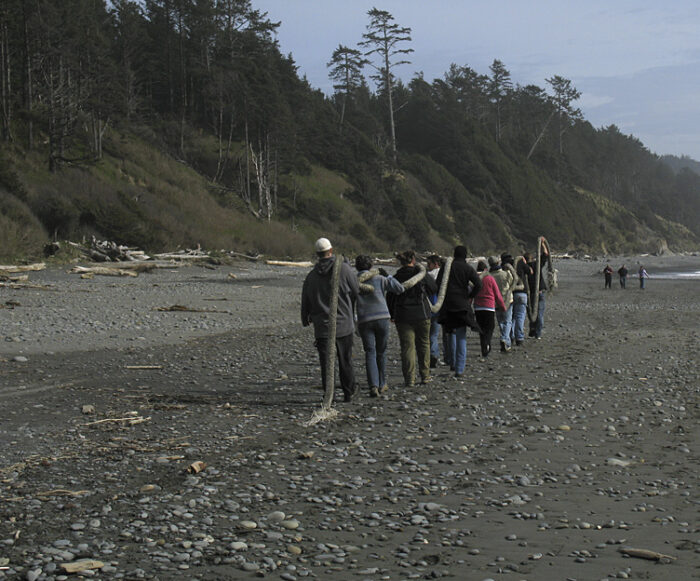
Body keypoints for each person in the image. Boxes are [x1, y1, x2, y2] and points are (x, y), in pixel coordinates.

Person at [301, 237, 359, 402]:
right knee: (345, 360)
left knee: (326, 364)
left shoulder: (311, 276)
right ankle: (349, 391)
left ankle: (329, 394)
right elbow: (356, 290)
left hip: (322, 326)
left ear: (317, 254)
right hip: (344, 324)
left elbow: (305, 299)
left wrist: (305, 318)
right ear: (331, 251)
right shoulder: (345, 270)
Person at [355, 255, 404, 398]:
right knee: (381, 351)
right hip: (382, 316)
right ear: (370, 266)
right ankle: (382, 383)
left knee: (370, 352)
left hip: (364, 318)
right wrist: (388, 276)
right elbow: (399, 289)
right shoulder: (380, 279)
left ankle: (373, 385)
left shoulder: (353, 281)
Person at [388, 250, 438, 387]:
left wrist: (392, 314)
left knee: (407, 348)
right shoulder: (421, 274)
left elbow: (390, 297)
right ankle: (425, 375)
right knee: (424, 345)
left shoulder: (396, 277)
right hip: (422, 313)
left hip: (403, 316)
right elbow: (434, 288)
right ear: (413, 260)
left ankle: (409, 379)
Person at [436, 245, 482, 377]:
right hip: (462, 304)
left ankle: (452, 362)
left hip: (447, 304)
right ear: (465, 255)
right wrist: (470, 296)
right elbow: (479, 284)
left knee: (450, 333)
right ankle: (459, 369)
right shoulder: (467, 268)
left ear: (454, 254)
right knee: (461, 335)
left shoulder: (446, 267)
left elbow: (438, 284)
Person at [474, 260, 506, 357]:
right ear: (485, 269)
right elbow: (497, 294)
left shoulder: (475, 278)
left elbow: (471, 293)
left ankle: (484, 346)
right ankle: (487, 344)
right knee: (490, 328)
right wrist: (503, 307)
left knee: (481, 328)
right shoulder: (489, 278)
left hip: (478, 307)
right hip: (489, 307)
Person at [489, 254, 517, 352]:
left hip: (495, 302)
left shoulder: (489, 276)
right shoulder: (506, 274)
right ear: (498, 263)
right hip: (507, 300)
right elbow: (513, 281)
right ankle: (505, 339)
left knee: (500, 321)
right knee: (507, 321)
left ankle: (504, 337)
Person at [526, 242, 549, 339]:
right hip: (539, 292)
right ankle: (537, 333)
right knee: (539, 314)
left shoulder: (524, 268)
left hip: (530, 293)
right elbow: (545, 255)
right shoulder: (536, 264)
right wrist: (543, 244)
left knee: (532, 313)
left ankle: (533, 329)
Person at [426, 254, 443, 368]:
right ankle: (435, 354)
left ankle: (432, 354)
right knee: (435, 333)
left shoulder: (428, 276)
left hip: (428, 306)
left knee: (429, 334)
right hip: (440, 305)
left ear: (435, 264)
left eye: (429, 264)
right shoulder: (443, 274)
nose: (428, 266)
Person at [512, 254, 531, 346]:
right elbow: (530, 271)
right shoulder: (521, 264)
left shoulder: (508, 267)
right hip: (522, 293)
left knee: (511, 317)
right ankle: (519, 337)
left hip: (511, 294)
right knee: (520, 316)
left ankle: (510, 336)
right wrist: (525, 263)